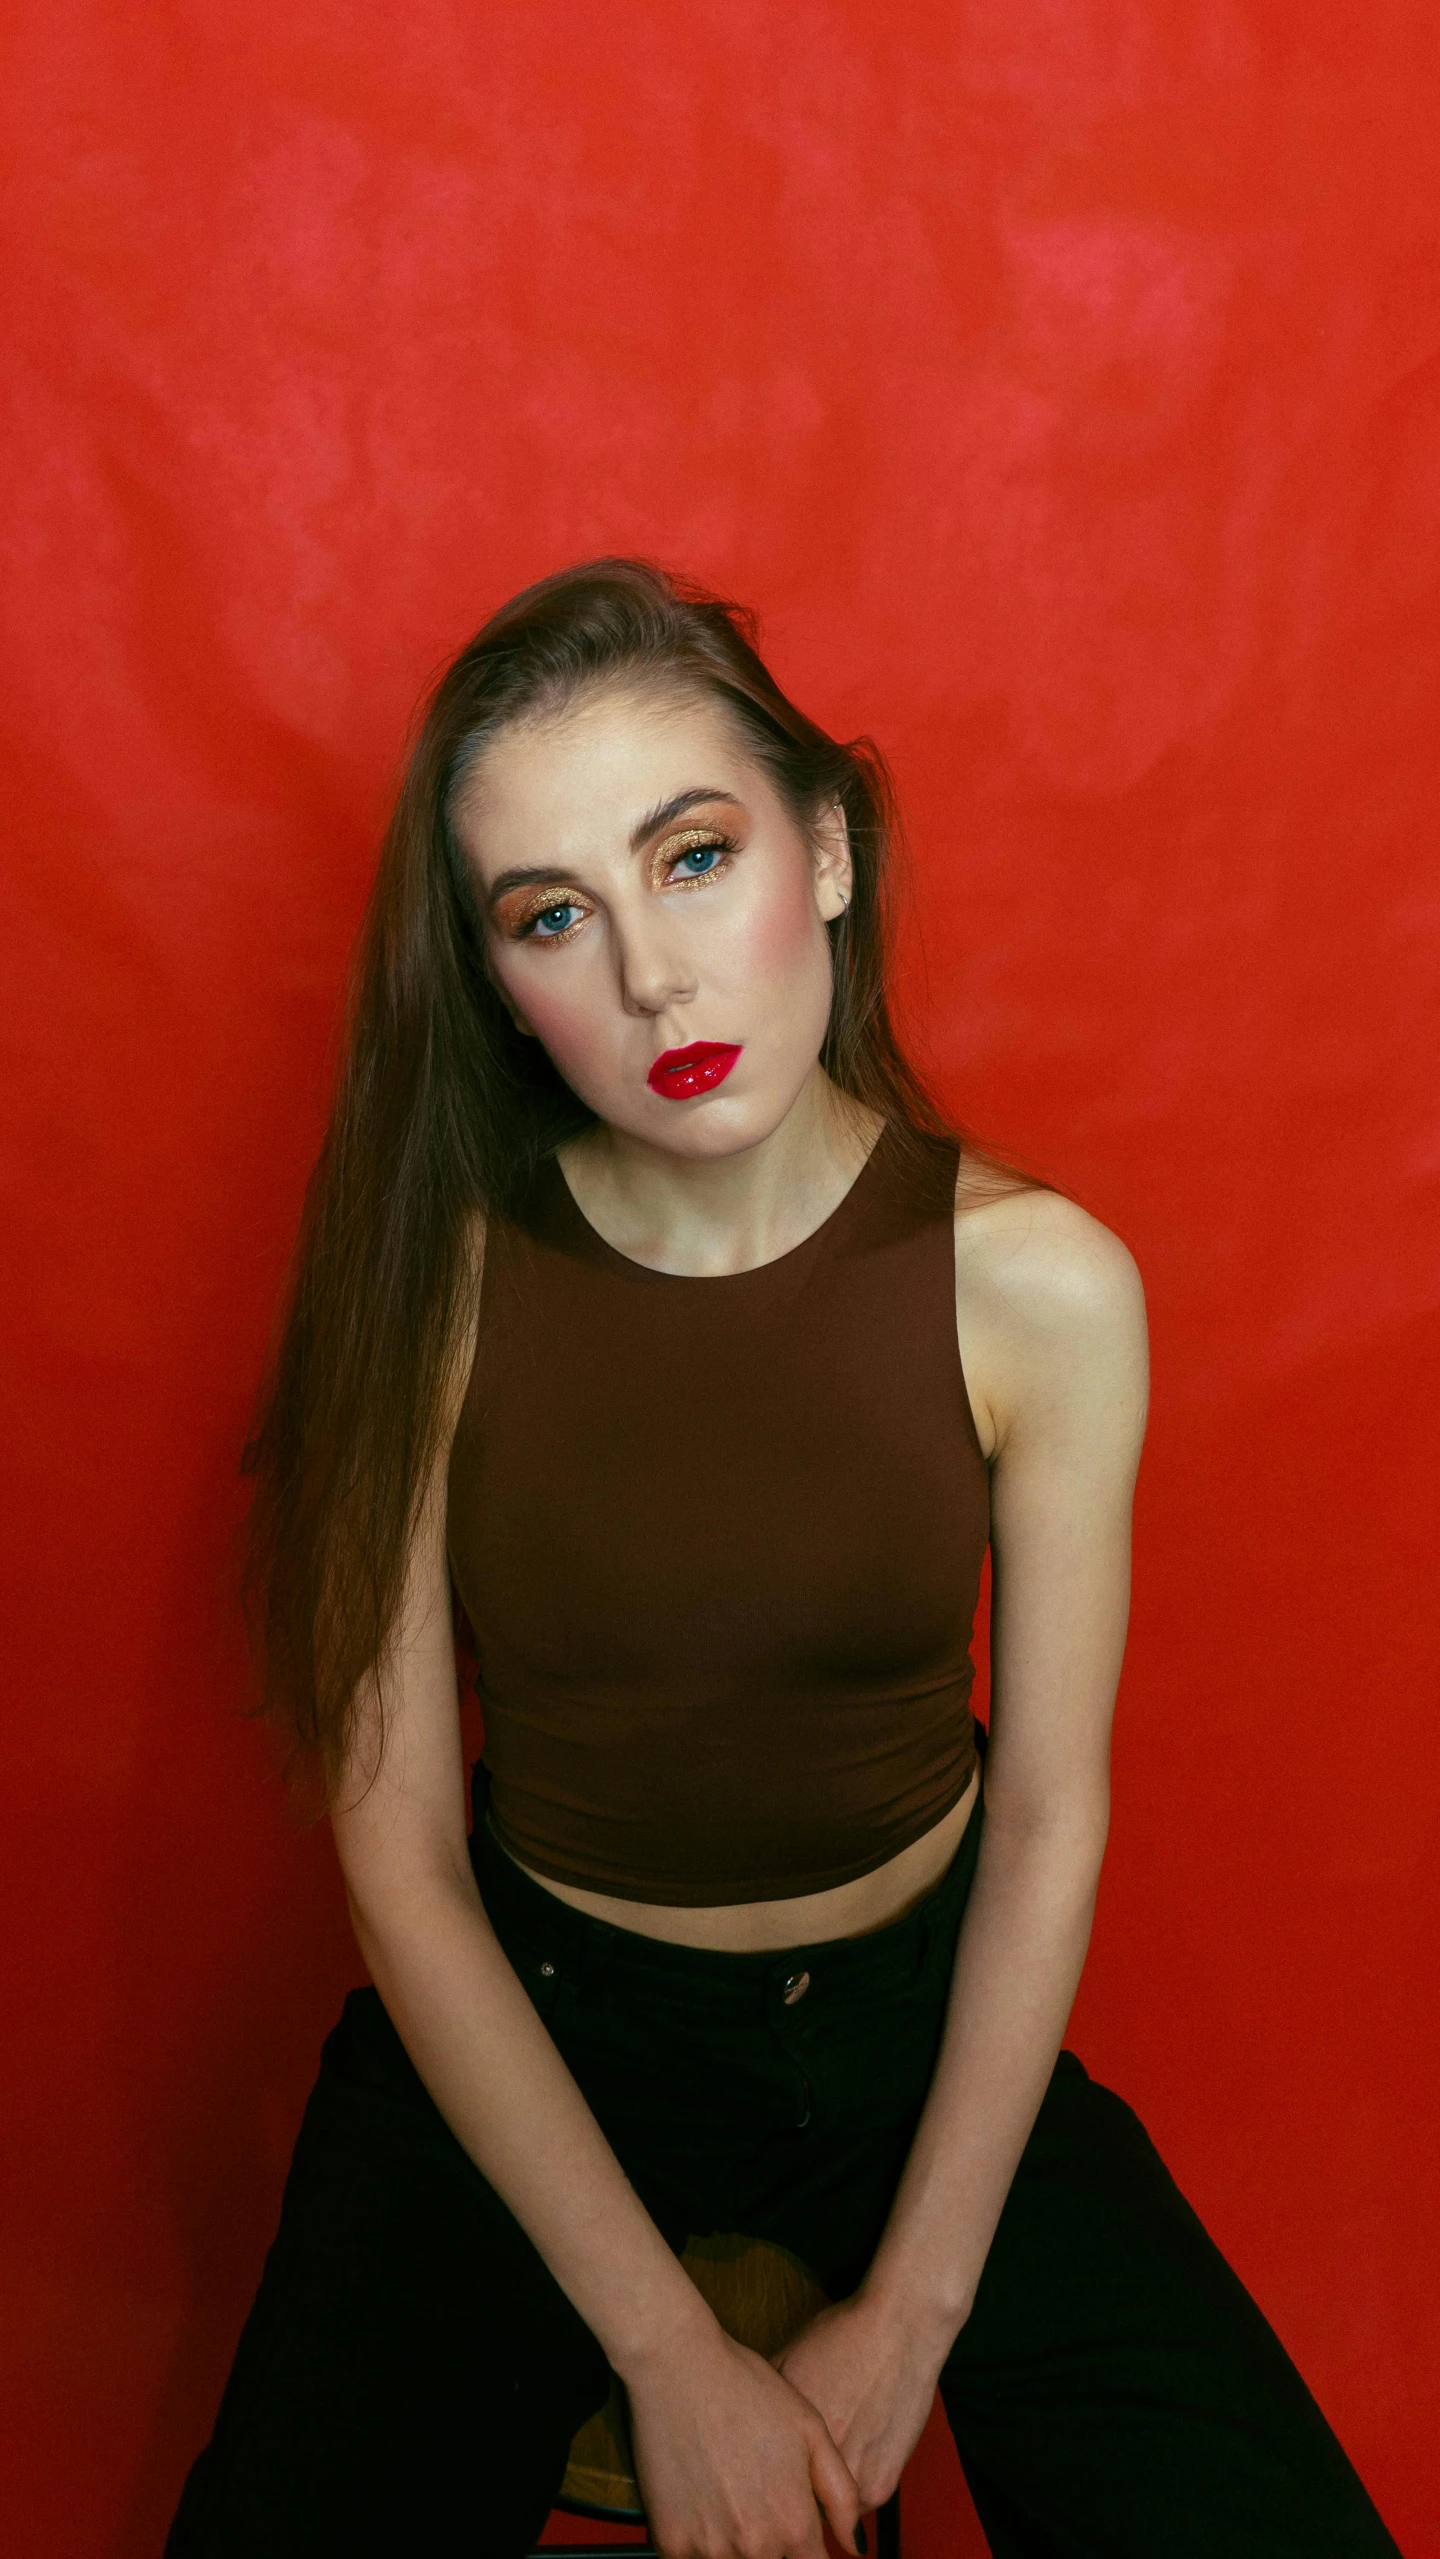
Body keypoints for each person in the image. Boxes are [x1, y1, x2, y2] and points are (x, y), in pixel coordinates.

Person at [168, 560, 1399, 2558]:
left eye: (694, 858)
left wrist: (909, 2319)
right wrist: (669, 2356)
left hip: (920, 2027)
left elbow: (1054, 1810)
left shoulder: (1042, 1287)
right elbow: (394, 1856)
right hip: (536, 2010)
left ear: (823, 853)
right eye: (553, 914)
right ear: (496, 978)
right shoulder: (435, 1284)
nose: (651, 978)